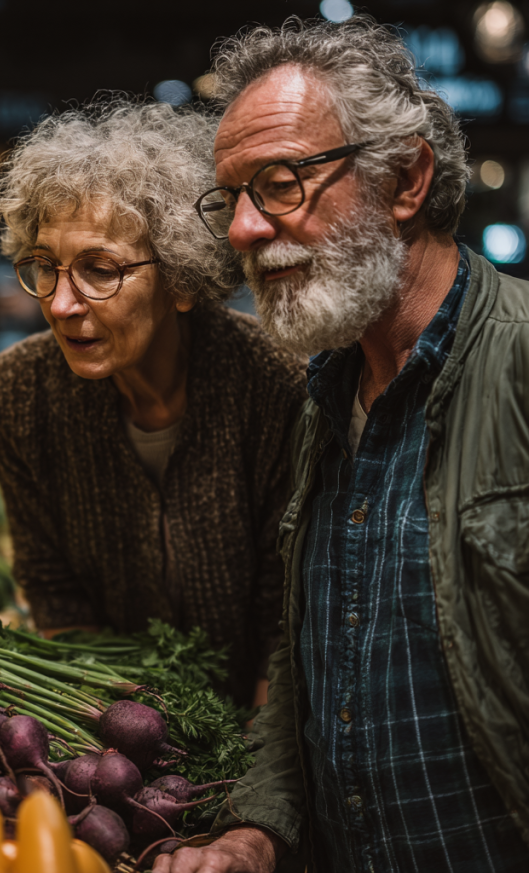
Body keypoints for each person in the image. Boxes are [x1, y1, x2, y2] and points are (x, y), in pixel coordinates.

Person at [156, 15, 529, 873]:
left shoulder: (514, 366)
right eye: (232, 198)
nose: (245, 230)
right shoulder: (322, 400)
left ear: (404, 178)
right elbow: (312, 657)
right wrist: (259, 828)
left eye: (280, 183)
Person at [0, 100, 306, 707]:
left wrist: (253, 763)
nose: (62, 304)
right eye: (45, 267)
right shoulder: (16, 395)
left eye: (100, 270)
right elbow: (54, 592)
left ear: (181, 278)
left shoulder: (274, 385)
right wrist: (124, 727)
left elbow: (283, 612)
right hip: (114, 717)